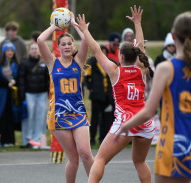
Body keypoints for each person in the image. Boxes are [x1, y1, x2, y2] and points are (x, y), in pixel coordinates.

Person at [76, 6, 155, 183]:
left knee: (101, 159)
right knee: (140, 162)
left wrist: (85, 30)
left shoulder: (114, 71)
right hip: (144, 121)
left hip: (126, 121)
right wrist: (138, 23)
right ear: (135, 56)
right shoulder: (142, 68)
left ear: (120, 56)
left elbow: (96, 50)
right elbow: (141, 45)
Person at [116, 11, 191, 183]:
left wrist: (124, 126)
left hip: (174, 144)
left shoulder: (167, 68)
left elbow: (149, 111)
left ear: (173, 36)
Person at [37, 12, 94, 183]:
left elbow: (86, 40)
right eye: (64, 44)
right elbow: (40, 40)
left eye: (70, 43)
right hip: (58, 115)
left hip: (78, 112)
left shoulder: (78, 62)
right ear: (59, 47)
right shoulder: (52, 63)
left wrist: (76, 25)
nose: (67, 46)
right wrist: (55, 25)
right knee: (74, 157)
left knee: (85, 152)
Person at [18, 42, 49, 149]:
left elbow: (48, 80)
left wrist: (49, 93)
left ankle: (37, 140)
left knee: (41, 117)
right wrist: (22, 96)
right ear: (29, 50)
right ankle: (27, 140)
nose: (34, 50)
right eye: (32, 49)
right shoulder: (24, 64)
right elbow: (21, 80)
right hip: (29, 94)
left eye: (36, 48)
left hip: (41, 94)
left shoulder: (44, 64)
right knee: (28, 117)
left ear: (39, 50)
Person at [85, 45, 115, 145]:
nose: (102, 54)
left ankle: (104, 139)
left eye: (104, 52)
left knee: (107, 119)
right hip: (96, 96)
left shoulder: (110, 62)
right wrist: (90, 87)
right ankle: (92, 139)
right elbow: (85, 76)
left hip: (108, 97)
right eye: (100, 52)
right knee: (95, 118)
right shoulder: (91, 62)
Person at [0, 42, 19, 148]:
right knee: (2, 116)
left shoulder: (15, 64)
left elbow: (18, 77)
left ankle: (11, 140)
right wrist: (6, 84)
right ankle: (2, 140)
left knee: (10, 116)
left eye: (11, 51)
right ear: (4, 52)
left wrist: (14, 82)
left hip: (12, 94)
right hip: (2, 93)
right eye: (8, 51)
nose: (10, 53)